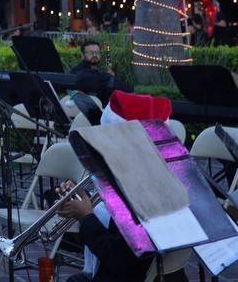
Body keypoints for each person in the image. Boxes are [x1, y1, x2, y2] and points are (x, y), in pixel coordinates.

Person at [55, 91, 189, 282]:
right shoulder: (160, 178)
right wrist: (82, 199)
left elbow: (119, 260)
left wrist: (86, 217)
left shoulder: (142, 193)